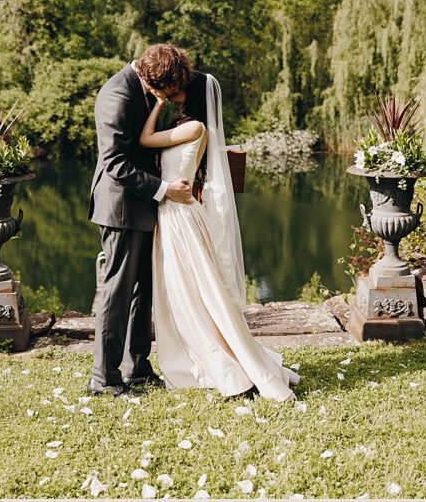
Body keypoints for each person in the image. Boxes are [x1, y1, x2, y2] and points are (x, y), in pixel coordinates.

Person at [139, 70, 301, 401]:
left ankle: (229, 365)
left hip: (179, 216)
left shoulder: (195, 127)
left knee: (196, 294)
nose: (173, 93)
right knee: (187, 293)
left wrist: (155, 104)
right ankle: (212, 357)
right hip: (172, 213)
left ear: (194, 94)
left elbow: (145, 139)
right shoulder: (186, 126)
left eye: (179, 90)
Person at [87, 43, 194, 396]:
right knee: (117, 293)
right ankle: (103, 378)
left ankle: (138, 367)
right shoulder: (117, 94)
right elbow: (115, 163)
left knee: (141, 291)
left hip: (142, 206)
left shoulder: (145, 88)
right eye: (170, 89)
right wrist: (164, 189)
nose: (173, 95)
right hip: (120, 208)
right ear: (154, 78)